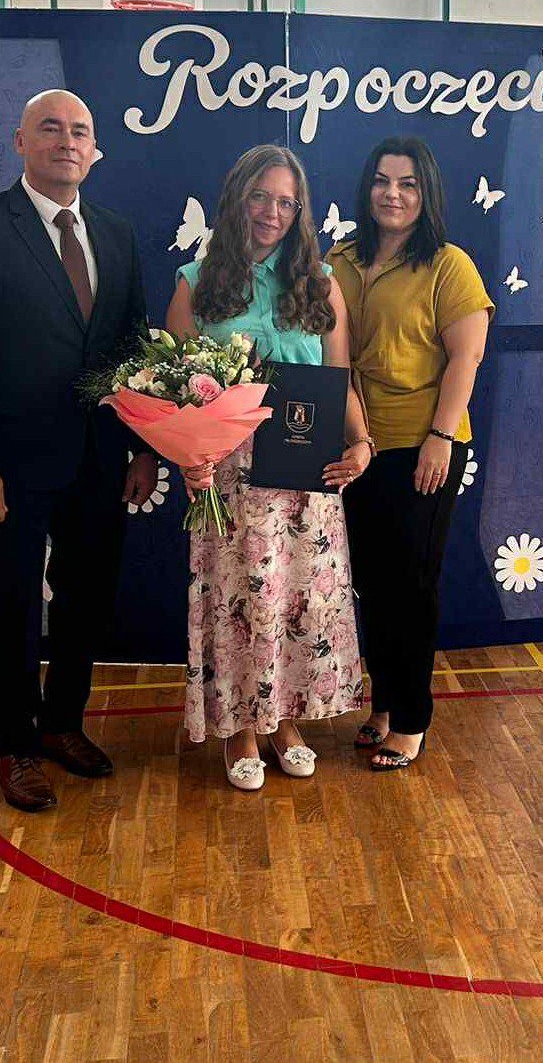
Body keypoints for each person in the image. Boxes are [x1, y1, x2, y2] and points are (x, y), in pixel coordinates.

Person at [0, 89, 160, 812]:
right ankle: (16, 747)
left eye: (80, 131)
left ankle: (62, 724)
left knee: (85, 601)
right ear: (21, 142)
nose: (67, 141)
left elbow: (132, 349)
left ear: (95, 151)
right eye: (51, 128)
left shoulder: (117, 234)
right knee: (8, 608)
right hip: (8, 464)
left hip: (99, 458)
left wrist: (143, 449)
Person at [168, 144, 371, 791]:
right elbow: (175, 388)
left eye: (286, 201)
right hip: (230, 476)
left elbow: (338, 376)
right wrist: (189, 457)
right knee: (242, 604)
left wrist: (361, 442)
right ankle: (240, 729)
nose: (272, 212)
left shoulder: (320, 283)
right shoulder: (196, 282)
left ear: (299, 210)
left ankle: (284, 723)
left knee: (296, 603)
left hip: (306, 475)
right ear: (237, 199)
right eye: (260, 196)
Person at [331, 136, 493, 772]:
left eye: (407, 184)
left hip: (421, 444)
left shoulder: (449, 265)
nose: (391, 194)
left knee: (411, 585)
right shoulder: (339, 260)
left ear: (426, 194)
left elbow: (466, 357)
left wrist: (441, 438)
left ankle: (411, 719)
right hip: (353, 446)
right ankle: (383, 705)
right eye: (381, 181)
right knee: (370, 583)